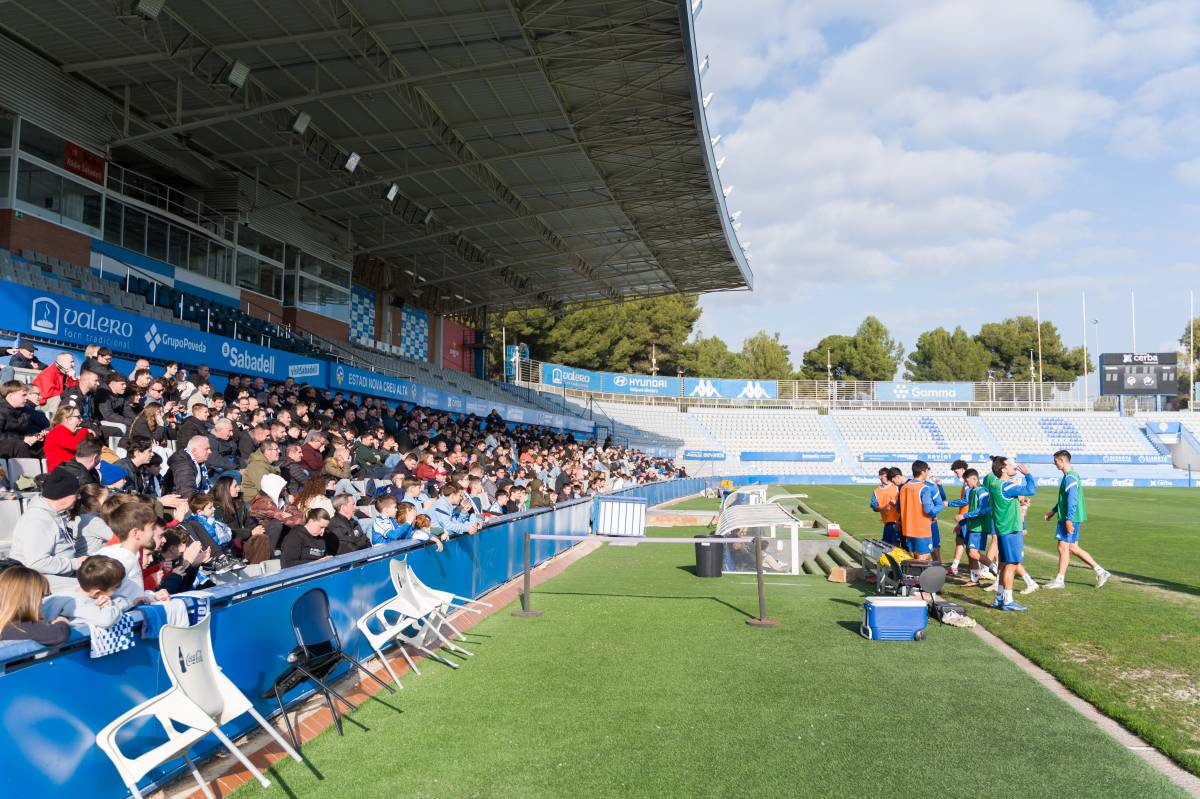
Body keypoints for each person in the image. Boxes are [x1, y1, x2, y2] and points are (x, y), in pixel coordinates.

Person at [1043, 450, 1110, 590]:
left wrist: (1068, 519)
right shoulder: (1070, 476)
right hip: (1071, 517)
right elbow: (1065, 500)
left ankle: (1060, 580)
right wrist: (1053, 511)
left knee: (1063, 547)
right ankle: (1100, 571)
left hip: (1070, 518)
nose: (1054, 463)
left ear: (1062, 460)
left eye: (1056, 461)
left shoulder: (1070, 478)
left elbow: (1072, 500)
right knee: (1072, 547)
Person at [9, 471, 84, 592]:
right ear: (64, 495)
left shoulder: (55, 514)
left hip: (57, 575)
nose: (79, 497)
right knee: (91, 588)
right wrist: (75, 564)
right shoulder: (38, 520)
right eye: (76, 493)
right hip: (35, 579)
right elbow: (37, 562)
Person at [984, 456, 1037, 612]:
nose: (1013, 466)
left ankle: (999, 598)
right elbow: (1031, 490)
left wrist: (1018, 502)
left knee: (1004, 563)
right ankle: (1008, 600)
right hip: (1011, 530)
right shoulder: (1006, 486)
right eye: (1009, 464)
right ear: (1003, 469)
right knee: (1012, 565)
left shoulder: (995, 484)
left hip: (1002, 529)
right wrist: (1027, 474)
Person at [95, 501, 170, 606]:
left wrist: (152, 596)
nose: (154, 533)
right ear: (136, 533)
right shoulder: (115, 561)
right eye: (152, 529)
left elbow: (131, 595)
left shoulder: (132, 556)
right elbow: (102, 602)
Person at [43, 554, 131, 630]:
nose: (117, 590)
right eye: (116, 587)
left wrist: (114, 603)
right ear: (96, 593)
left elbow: (124, 601)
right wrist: (109, 607)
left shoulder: (76, 590)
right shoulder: (76, 604)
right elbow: (106, 620)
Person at [0, 566, 70, 646]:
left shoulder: (7, 624)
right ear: (28, 600)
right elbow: (58, 635)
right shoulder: (19, 627)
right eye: (40, 598)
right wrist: (62, 621)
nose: (42, 603)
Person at [954, 468, 997, 587]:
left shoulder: (982, 491)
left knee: (973, 553)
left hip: (979, 527)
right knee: (970, 553)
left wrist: (964, 516)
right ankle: (974, 580)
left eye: (967, 481)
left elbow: (984, 509)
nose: (966, 483)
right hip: (972, 526)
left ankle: (995, 568)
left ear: (975, 479)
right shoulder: (973, 491)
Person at [896, 460, 943, 561]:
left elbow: (899, 508)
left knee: (914, 556)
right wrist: (941, 505)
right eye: (927, 471)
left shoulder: (904, 487)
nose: (928, 473)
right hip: (922, 529)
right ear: (923, 472)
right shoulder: (924, 488)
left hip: (908, 529)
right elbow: (928, 510)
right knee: (922, 558)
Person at [0, 380, 43, 458]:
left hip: (16, 443)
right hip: (5, 446)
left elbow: (23, 433)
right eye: (23, 395)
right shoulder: (1, 410)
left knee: (43, 445)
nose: (26, 398)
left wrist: (36, 436)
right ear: (11, 396)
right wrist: (22, 439)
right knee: (20, 445)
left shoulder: (24, 411)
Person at [43, 405, 90, 473]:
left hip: (69, 469)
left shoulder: (66, 433)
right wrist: (85, 431)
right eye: (78, 417)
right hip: (61, 473)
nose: (81, 420)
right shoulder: (57, 432)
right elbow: (75, 444)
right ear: (67, 419)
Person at [163, 435, 212, 499]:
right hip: (178, 502)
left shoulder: (200, 463)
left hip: (194, 498)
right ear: (194, 450)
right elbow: (187, 494)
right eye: (206, 449)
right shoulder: (183, 465)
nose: (210, 452)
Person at [943, 460, 970, 575]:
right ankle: (954, 566)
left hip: (967, 518)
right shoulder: (965, 483)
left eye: (956, 471)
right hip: (963, 518)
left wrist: (949, 503)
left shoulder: (968, 483)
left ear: (963, 469)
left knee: (970, 547)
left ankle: (985, 567)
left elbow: (966, 501)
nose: (955, 474)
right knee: (959, 540)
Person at [869, 467, 901, 546]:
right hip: (887, 523)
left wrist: (896, 503)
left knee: (897, 546)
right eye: (886, 476)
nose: (888, 478)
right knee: (886, 546)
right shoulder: (876, 491)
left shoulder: (897, 487)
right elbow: (874, 507)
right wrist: (882, 509)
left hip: (898, 522)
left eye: (889, 476)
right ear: (880, 477)